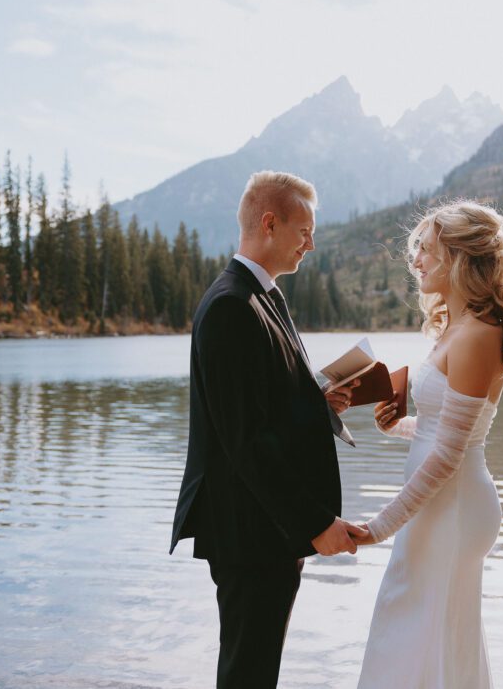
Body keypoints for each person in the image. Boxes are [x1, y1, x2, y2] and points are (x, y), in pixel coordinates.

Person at [169, 170, 366, 689]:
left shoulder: (264, 296)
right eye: (304, 231)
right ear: (269, 223)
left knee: (257, 669)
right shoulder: (231, 306)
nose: (311, 243)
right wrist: (314, 523)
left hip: (268, 528)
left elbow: (262, 411)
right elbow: (244, 441)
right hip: (249, 532)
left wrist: (318, 404)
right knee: (247, 672)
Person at [353, 201, 503, 688]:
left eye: (427, 251)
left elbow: (450, 452)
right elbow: (443, 431)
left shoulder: (478, 334)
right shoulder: (455, 329)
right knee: (414, 629)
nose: (416, 261)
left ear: (459, 259)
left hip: (454, 508)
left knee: (430, 632)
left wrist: (378, 526)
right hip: (439, 504)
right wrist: (397, 427)